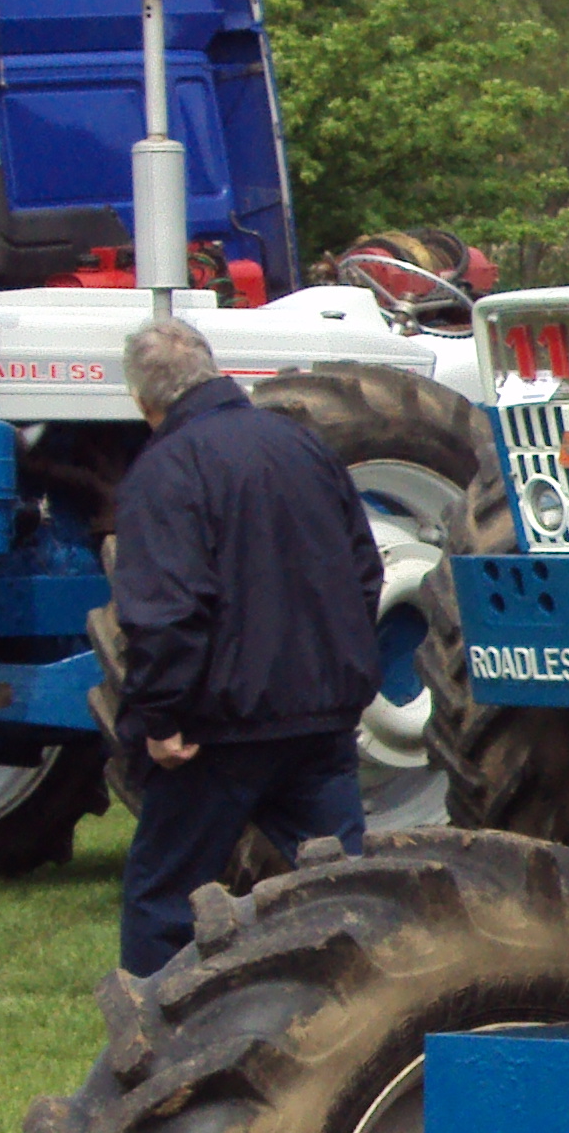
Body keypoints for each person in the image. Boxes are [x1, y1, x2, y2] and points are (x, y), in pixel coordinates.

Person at [108, 316, 388, 978]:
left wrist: (160, 718)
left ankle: (156, 1042)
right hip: (320, 716)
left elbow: (167, 610)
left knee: (164, 898)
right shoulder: (303, 446)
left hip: (218, 729)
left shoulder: (165, 468)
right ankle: (378, 1012)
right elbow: (364, 570)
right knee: (348, 890)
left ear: (146, 403)